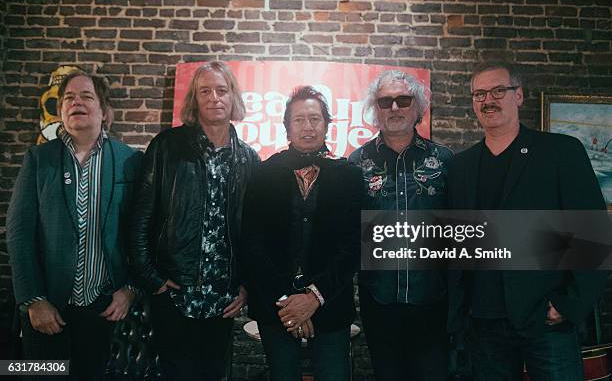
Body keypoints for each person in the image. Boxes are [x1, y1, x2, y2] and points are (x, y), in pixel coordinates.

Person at [447, 61, 608, 380]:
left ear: (518, 96)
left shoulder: (561, 152)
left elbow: (595, 235)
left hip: (546, 320)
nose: (487, 100)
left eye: (498, 91)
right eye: (479, 94)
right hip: (483, 324)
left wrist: (567, 304)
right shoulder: (461, 166)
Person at [7, 71, 141, 380]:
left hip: (101, 307)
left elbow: (140, 231)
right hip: (46, 309)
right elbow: (19, 233)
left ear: (104, 111)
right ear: (61, 111)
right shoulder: (39, 159)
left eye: (86, 96)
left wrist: (130, 288)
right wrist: (33, 299)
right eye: (68, 97)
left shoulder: (129, 160)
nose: (75, 102)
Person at [129, 61, 259, 381]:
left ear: (232, 98)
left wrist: (246, 288)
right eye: (205, 91)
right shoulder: (166, 147)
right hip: (174, 294)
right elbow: (140, 216)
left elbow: (257, 234)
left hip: (223, 299)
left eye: (221, 90)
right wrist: (151, 278)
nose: (214, 97)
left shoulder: (250, 160)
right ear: (195, 100)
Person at [241, 86, 361, 381]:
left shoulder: (349, 175)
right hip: (275, 307)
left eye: (315, 119)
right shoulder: (263, 173)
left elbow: (353, 246)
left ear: (326, 124)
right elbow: (253, 244)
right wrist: (289, 303)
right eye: (299, 120)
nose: (307, 127)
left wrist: (312, 299)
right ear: (287, 127)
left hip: (330, 305)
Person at [348, 70, 453, 380]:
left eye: (403, 100)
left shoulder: (444, 160)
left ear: (417, 107)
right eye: (385, 101)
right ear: (375, 109)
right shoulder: (356, 163)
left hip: (433, 300)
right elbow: (349, 233)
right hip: (379, 300)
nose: (394, 108)